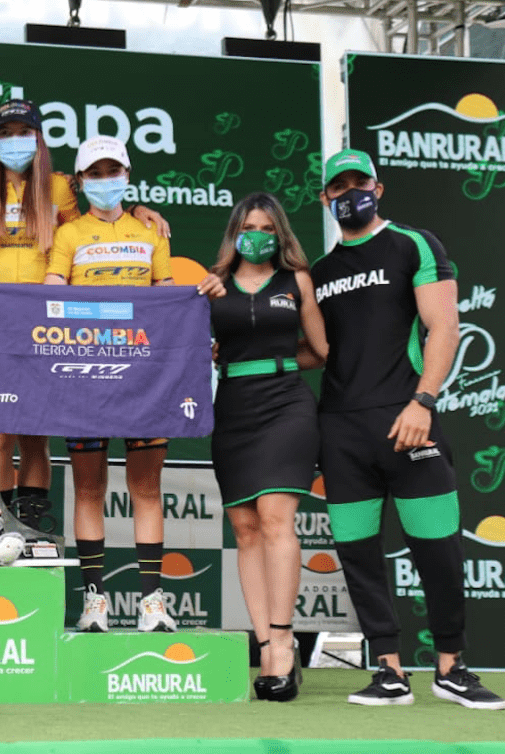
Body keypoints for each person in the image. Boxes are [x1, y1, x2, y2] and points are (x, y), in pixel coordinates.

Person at [312, 149, 505, 709]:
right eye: (338, 187)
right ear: (325, 198)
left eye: (359, 183)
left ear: (378, 186)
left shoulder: (414, 244)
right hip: (341, 429)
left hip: (409, 421)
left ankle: (452, 666)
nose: (351, 193)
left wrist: (423, 400)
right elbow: (314, 349)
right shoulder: (320, 274)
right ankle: (389, 671)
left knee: (438, 547)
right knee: (358, 553)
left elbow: (444, 327)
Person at [43, 135, 222, 633]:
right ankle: (94, 602)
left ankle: (152, 603)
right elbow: (52, 295)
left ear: (127, 173)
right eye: (95, 174)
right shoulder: (68, 234)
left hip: (144, 376)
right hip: (86, 376)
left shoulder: (151, 233)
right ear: (80, 182)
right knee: (88, 490)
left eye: (113, 170)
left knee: (146, 488)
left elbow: (167, 301)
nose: (105, 180)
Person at [0, 99, 169, 524]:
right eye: (4, 133)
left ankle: (32, 525)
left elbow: (92, 228)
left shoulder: (58, 188)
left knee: (36, 429)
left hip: (45, 319)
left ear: (38, 138)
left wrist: (139, 212)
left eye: (23, 132)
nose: (14, 141)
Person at [209, 192, 327, 701]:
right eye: (248, 226)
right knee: (245, 528)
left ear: (280, 234)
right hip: (232, 406)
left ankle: (282, 644)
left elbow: (320, 350)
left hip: (287, 408)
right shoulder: (212, 286)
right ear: (235, 231)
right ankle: (262, 642)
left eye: (267, 227)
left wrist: (275, 361)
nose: (257, 234)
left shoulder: (296, 280)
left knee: (277, 518)